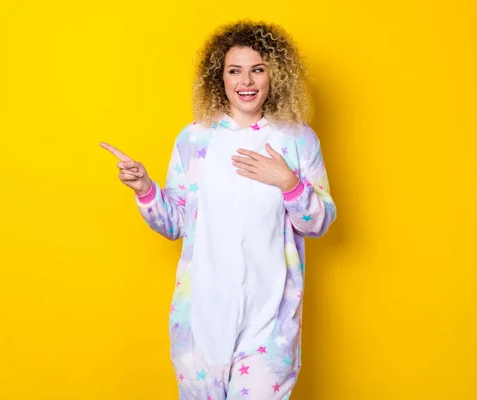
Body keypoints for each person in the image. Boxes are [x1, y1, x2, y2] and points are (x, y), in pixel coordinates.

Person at [100, 20, 336, 400]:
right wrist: (145, 189)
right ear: (219, 77)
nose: (247, 81)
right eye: (235, 70)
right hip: (201, 322)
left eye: (258, 69)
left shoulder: (297, 139)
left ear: (274, 75)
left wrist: (289, 183)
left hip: (269, 323)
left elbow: (318, 222)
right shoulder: (195, 138)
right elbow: (174, 223)